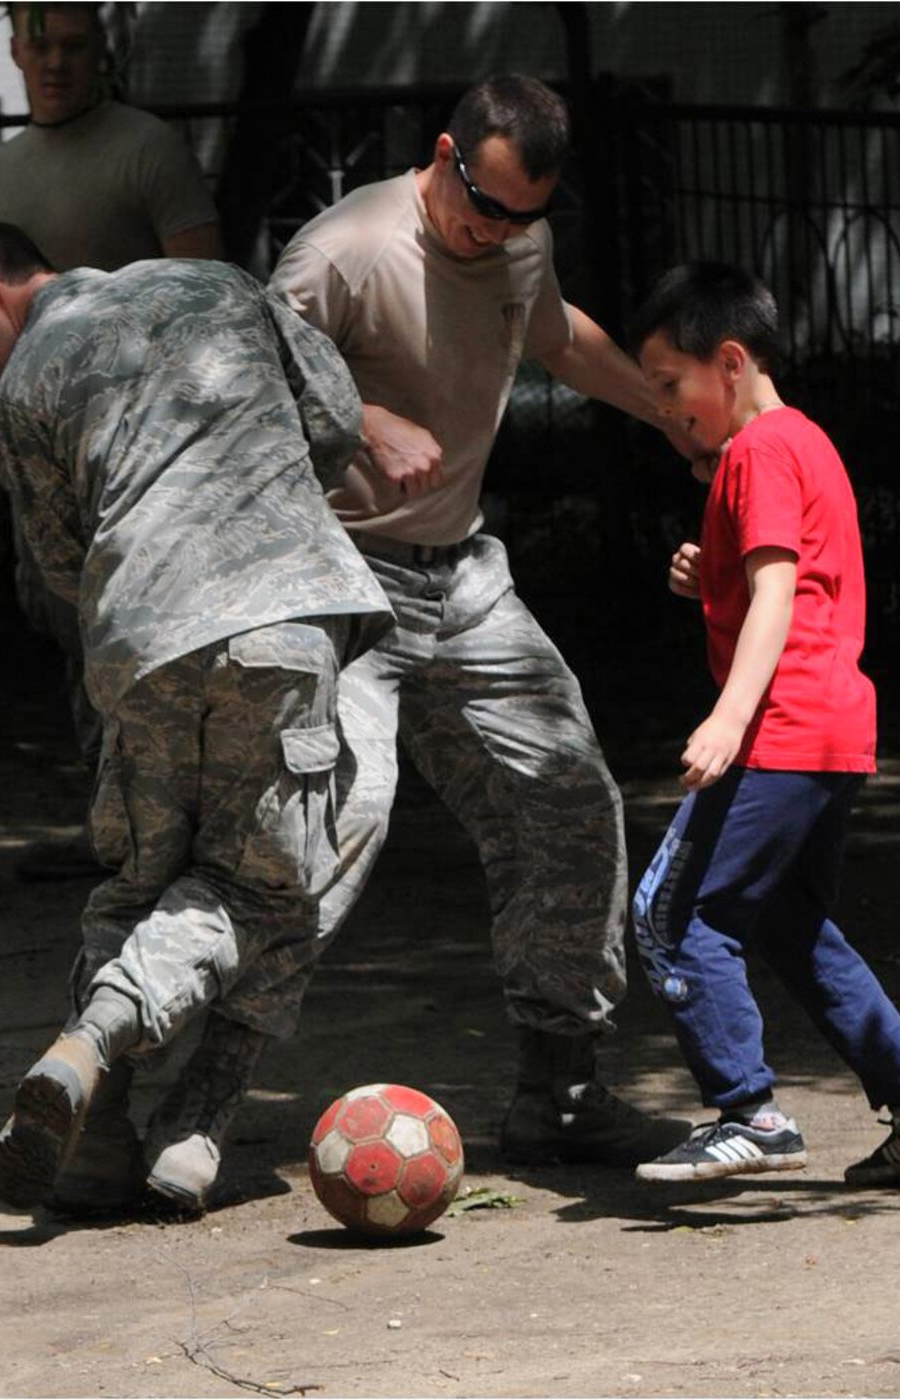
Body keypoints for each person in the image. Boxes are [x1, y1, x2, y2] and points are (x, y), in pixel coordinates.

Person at [0, 216, 392, 1213]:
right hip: (279, 619)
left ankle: (106, 1132)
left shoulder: (29, 384)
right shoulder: (214, 283)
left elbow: (61, 565)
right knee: (258, 889)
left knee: (137, 881)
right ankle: (121, 1060)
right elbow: (333, 413)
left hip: (141, 641)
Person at [269, 74, 694, 1165]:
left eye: (523, 214)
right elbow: (245, 387)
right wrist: (359, 417)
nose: (496, 229)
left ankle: (558, 1085)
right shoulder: (341, 250)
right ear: (447, 152)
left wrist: (673, 415)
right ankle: (170, 1082)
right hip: (336, 579)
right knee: (316, 827)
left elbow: (553, 337)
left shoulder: (516, 246)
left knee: (568, 801)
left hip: (460, 577)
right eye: (483, 203)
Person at [625, 262, 900, 1184]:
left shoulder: (759, 450)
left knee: (673, 915)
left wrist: (729, 716)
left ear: (730, 361)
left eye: (672, 387)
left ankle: (750, 1113)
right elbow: (792, 576)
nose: (667, 411)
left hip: (780, 727)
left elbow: (780, 591)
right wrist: (713, 576)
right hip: (832, 730)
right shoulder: (804, 443)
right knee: (788, 921)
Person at [0, 1, 220, 881]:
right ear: (16, 51)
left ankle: (186, 826)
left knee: (169, 641)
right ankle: (120, 829)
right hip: (41, 464)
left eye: (74, 46)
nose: (56, 63)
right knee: (78, 640)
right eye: (41, 46)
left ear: (103, 53)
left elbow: (208, 303)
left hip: (150, 456)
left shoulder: (148, 149)